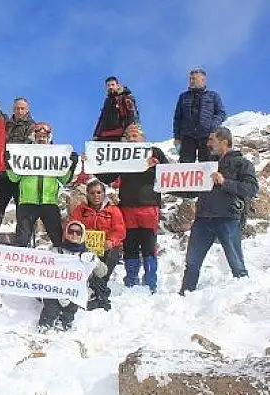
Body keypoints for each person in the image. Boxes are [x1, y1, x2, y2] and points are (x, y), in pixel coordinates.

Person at [179, 127, 258, 294]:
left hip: (228, 218)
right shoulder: (207, 165)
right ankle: (185, 295)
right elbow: (187, 188)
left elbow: (251, 189)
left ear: (224, 142)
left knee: (236, 262)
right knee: (192, 262)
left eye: (211, 140)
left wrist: (224, 182)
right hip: (203, 219)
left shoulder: (242, 163)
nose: (208, 144)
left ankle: (245, 296)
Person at [97, 124, 168, 292]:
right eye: (128, 136)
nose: (131, 138)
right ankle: (131, 281)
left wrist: (156, 166)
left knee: (149, 246)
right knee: (130, 245)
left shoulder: (154, 151)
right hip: (127, 207)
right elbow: (108, 177)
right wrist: (92, 165)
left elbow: (169, 173)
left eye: (135, 135)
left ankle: (151, 283)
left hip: (148, 207)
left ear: (143, 138)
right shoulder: (123, 155)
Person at [7, 122, 77, 248]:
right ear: (34, 137)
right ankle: (17, 266)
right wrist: (9, 165)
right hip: (27, 202)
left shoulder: (56, 156)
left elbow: (64, 180)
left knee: (58, 238)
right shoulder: (24, 154)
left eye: (44, 136)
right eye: (38, 136)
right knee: (22, 238)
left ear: (49, 138)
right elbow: (14, 178)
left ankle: (65, 265)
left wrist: (71, 166)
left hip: (49, 202)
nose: (41, 139)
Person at [0, 97, 35, 243]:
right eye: (17, 108)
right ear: (13, 109)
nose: (20, 111)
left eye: (22, 108)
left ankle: (24, 239)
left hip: (22, 176)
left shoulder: (33, 126)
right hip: (4, 173)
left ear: (27, 110)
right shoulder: (5, 124)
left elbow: (35, 146)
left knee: (22, 208)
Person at [38, 221, 107, 331]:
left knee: (70, 308)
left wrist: (96, 261)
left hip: (75, 291)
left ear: (82, 235)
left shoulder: (87, 254)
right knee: (51, 308)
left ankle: (65, 323)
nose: (74, 235)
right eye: (71, 231)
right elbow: (43, 269)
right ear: (66, 233)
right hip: (55, 289)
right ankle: (46, 325)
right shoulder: (56, 251)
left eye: (78, 232)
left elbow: (102, 273)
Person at [69, 180, 126, 310]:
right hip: (85, 249)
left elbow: (120, 229)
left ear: (104, 194)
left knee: (108, 261)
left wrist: (111, 241)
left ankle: (98, 292)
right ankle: (95, 293)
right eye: (92, 193)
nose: (96, 195)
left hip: (107, 248)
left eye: (99, 192)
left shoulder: (113, 210)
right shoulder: (81, 210)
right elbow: (71, 226)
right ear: (87, 195)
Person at [173, 68, 226, 163]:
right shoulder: (183, 96)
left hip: (207, 135)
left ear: (203, 79)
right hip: (187, 136)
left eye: (194, 79)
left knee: (207, 165)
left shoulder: (213, 95)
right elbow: (178, 118)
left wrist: (213, 127)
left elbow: (221, 113)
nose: (191, 81)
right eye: (190, 79)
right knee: (186, 165)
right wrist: (177, 137)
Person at [93, 76, 139, 142]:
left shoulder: (125, 97)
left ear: (117, 85)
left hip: (120, 134)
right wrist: (96, 134)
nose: (110, 87)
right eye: (108, 85)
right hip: (105, 135)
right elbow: (101, 119)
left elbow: (131, 114)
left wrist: (128, 134)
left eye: (112, 85)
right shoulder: (107, 101)